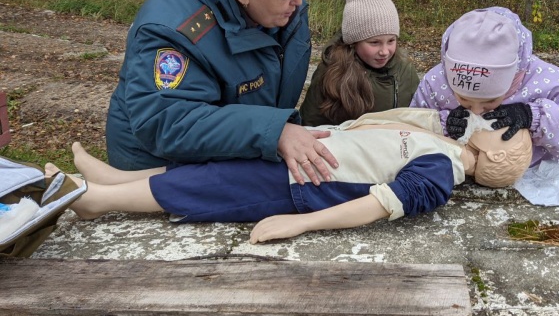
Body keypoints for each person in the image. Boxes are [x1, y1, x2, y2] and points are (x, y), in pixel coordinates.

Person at [48, 108, 533, 243]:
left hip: (302, 184)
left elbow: (382, 203)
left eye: (502, 132)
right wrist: (444, 119)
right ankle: (114, 178)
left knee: (207, 187)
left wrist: (299, 223)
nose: (494, 123)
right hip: (303, 148)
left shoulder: (440, 172)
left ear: (493, 161)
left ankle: (96, 199)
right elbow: (400, 120)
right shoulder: (447, 140)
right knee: (212, 163)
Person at [105, 0, 338, 186]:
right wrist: (272, 131)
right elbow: (166, 122)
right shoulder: (170, 31)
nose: (298, 1)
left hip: (235, 151)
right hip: (159, 167)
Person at [410, 7, 559, 206]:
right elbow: (408, 134)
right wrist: (442, 125)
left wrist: (534, 116)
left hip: (530, 181)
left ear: (513, 77)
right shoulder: (436, 83)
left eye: (490, 101)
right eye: (464, 99)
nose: (476, 110)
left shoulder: (549, 82)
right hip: (452, 183)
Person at [299, 0, 419, 126]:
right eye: (374, 42)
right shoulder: (331, 71)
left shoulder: (406, 72)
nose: (384, 51)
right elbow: (310, 123)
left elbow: (420, 117)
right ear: (353, 42)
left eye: (391, 41)